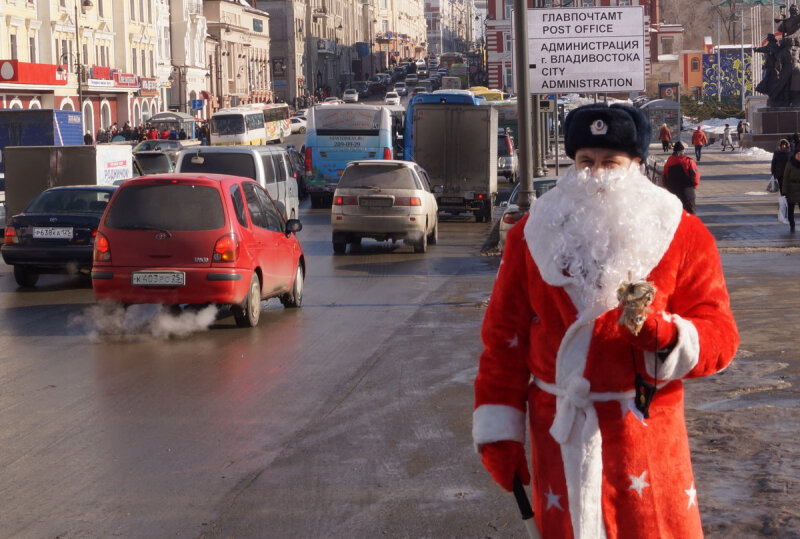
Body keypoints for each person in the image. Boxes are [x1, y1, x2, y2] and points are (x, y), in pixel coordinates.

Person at [473, 102, 739, 538]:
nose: (596, 175)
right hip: (560, 434)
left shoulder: (683, 234)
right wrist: (500, 430)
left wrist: (668, 336)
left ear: (635, 165)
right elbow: (503, 338)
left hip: (644, 437)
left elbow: (721, 335)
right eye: (586, 162)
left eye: (610, 163)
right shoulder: (530, 235)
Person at [662, 141, 700, 214]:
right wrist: (693, 186)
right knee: (690, 215)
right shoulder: (689, 161)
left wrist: (668, 188)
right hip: (687, 192)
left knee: (675, 216)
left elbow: (664, 177)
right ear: (682, 151)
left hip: (673, 193)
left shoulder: (669, 162)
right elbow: (695, 176)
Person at [780, 143, 800, 232]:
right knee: (790, 210)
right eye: (798, 154)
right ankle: (792, 225)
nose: (799, 156)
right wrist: (784, 191)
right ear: (795, 154)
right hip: (791, 189)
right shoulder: (790, 163)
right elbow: (785, 178)